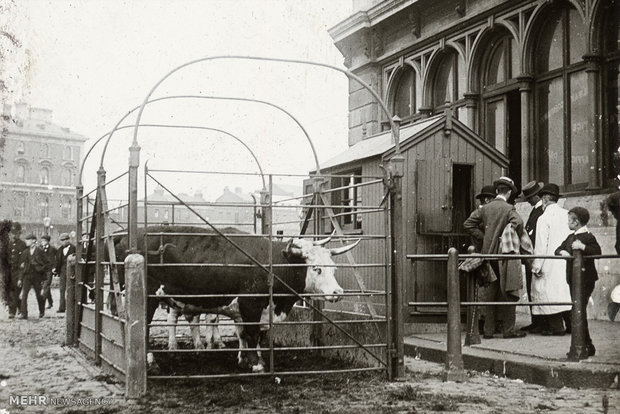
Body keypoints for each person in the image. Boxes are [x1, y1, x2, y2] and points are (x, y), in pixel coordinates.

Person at [464, 176, 526, 339]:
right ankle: (508, 330)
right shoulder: (509, 209)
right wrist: (510, 235)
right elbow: (518, 223)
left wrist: (483, 237)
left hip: (487, 256)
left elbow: (468, 224)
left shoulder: (485, 208)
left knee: (489, 294)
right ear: (509, 192)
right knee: (508, 292)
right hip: (504, 257)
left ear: (497, 191)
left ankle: (488, 331)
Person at [555, 206, 601, 356]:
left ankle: (585, 345)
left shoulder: (588, 237)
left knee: (578, 311)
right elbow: (558, 249)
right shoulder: (570, 237)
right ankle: (587, 345)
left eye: (569, 220)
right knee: (577, 311)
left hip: (586, 280)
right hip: (573, 280)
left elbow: (597, 252)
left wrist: (582, 247)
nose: (567, 223)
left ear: (576, 222)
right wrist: (564, 252)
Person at [531, 183, 572, 335]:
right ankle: (571, 325)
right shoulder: (567, 214)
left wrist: (536, 266)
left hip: (549, 261)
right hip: (564, 259)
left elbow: (541, 245)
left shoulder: (543, 218)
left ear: (545, 199)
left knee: (549, 293)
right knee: (565, 293)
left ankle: (556, 327)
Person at [520, 181, 545, 333]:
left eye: (530, 197)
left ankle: (540, 321)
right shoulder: (536, 210)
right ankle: (536, 320)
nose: (528, 201)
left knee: (537, 289)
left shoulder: (541, 211)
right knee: (532, 289)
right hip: (531, 255)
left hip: (535, 254)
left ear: (537, 196)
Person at [18, 234, 51, 319]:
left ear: (33, 240)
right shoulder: (25, 252)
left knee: (39, 295)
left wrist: (41, 269)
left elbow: (47, 263)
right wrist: (20, 279)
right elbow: (21, 267)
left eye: (28, 240)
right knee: (24, 295)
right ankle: (24, 314)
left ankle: (41, 311)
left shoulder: (40, 251)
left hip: (37, 276)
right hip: (27, 276)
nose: (26, 242)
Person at [7, 222, 27, 318]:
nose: (14, 235)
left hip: (18, 271)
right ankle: (14, 310)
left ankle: (15, 311)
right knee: (10, 292)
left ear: (20, 233)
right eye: (13, 233)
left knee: (16, 292)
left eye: (17, 233)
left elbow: (24, 261)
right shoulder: (8, 244)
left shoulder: (23, 245)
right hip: (9, 272)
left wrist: (21, 275)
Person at [55, 232, 75, 313]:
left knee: (70, 289)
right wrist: (56, 270)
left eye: (64, 240)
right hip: (62, 272)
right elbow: (57, 261)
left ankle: (70, 307)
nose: (63, 242)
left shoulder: (74, 248)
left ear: (68, 240)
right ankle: (62, 307)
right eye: (61, 240)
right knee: (62, 289)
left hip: (71, 272)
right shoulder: (59, 249)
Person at [39, 234, 56, 310]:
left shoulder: (52, 249)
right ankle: (50, 302)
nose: (42, 242)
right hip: (42, 270)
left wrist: (54, 267)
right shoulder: (39, 248)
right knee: (46, 286)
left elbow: (57, 258)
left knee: (46, 285)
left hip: (49, 270)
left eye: (44, 241)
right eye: (42, 240)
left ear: (48, 241)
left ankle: (43, 302)